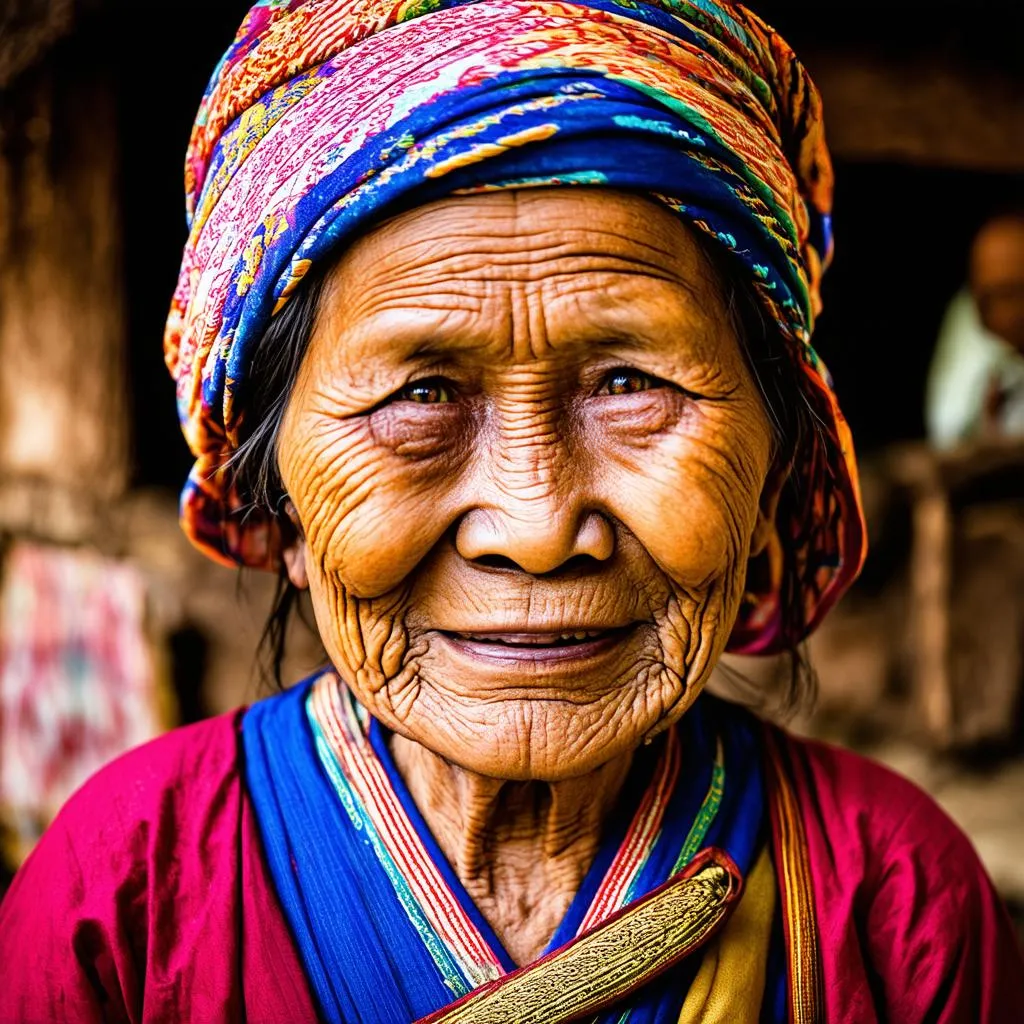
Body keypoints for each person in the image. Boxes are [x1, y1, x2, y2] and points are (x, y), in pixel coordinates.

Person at [2, 1, 1022, 1021]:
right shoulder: (122, 895)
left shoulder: (894, 901)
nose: (535, 528)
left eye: (630, 383)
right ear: (276, 500)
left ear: (774, 469)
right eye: (421, 396)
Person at [926, 212, 1024, 448]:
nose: (991, 313)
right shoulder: (968, 320)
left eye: (1010, 292)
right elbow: (947, 433)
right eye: (985, 298)